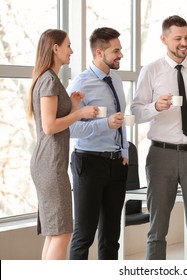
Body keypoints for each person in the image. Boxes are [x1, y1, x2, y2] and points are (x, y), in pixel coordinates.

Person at [131, 15, 187, 260]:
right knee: (157, 228)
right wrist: (155, 107)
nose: (184, 43)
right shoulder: (150, 71)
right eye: (178, 38)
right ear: (164, 39)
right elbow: (136, 111)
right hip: (161, 155)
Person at [27, 29, 98, 260]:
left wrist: (74, 105)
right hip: (50, 165)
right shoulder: (48, 79)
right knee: (62, 232)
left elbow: (56, 122)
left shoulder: (47, 79)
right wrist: (80, 114)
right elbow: (49, 127)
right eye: (68, 45)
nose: (72, 50)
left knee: (54, 233)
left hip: (49, 163)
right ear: (55, 48)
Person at [67, 27, 129, 260]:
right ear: (99, 52)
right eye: (116, 51)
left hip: (116, 163)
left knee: (111, 237)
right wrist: (105, 124)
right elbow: (70, 128)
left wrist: (124, 150)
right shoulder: (81, 83)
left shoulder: (117, 80)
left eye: (120, 50)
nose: (120, 55)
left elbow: (121, 120)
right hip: (89, 162)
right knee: (84, 235)